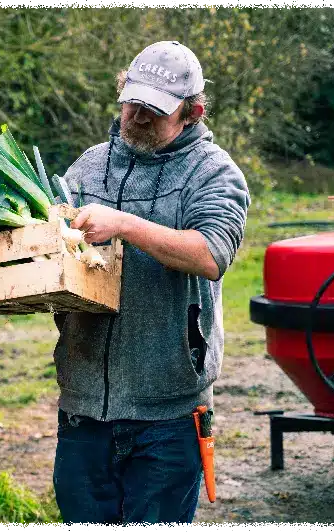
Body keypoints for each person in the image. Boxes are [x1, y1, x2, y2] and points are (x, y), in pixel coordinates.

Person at [51, 40, 251, 527]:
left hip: (168, 418)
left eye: (154, 111)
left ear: (193, 112)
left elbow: (210, 253)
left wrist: (123, 224)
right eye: (131, 104)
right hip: (82, 410)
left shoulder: (215, 173)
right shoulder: (89, 166)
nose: (137, 118)